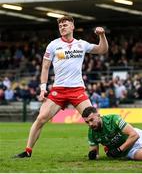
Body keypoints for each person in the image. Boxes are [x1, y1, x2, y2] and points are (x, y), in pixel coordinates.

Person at [14, 16, 108, 158]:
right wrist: (43, 88)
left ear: (72, 27)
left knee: (93, 118)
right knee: (41, 118)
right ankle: (27, 151)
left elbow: (102, 50)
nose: (62, 27)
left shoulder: (81, 44)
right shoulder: (53, 45)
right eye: (60, 26)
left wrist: (102, 35)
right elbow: (45, 67)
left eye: (65, 24)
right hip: (58, 90)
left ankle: (95, 151)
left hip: (77, 89)